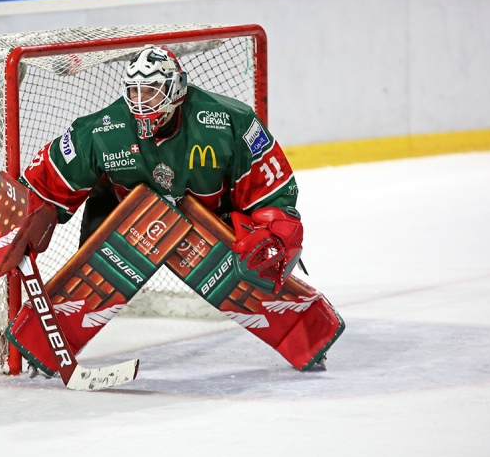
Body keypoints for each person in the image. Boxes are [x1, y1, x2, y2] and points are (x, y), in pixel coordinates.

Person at [21, 44, 302, 283]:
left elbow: (271, 189)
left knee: (260, 257)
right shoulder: (100, 131)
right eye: (135, 91)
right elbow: (45, 181)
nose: (142, 102)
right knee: (87, 278)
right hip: (125, 213)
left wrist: (278, 228)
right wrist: (22, 216)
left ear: (177, 88)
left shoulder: (229, 121)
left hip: (215, 216)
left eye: (152, 90)